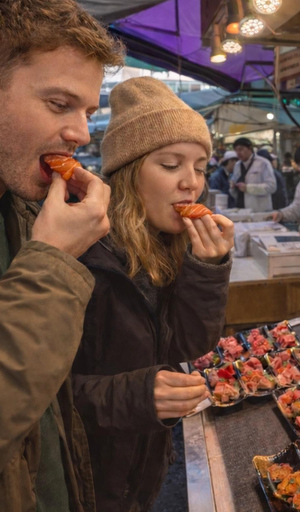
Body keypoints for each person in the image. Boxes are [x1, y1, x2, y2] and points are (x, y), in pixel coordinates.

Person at [69, 77, 234, 511]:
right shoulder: (83, 255)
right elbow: (43, 398)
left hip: (142, 468)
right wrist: (140, 395)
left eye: (199, 167)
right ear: (128, 174)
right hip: (87, 481)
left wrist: (207, 269)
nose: (191, 184)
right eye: (170, 164)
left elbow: (186, 344)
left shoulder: (164, 245)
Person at [0, 2, 122, 511]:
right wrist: (52, 264)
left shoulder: (22, 208)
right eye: (58, 104)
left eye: (88, 112)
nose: (81, 133)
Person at [230, 137, 276, 212]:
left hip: (260, 210)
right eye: (236, 150)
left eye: (241, 149)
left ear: (250, 148)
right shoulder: (237, 165)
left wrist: (248, 188)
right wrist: (232, 186)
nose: (238, 153)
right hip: (241, 209)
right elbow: (234, 184)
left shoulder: (263, 163)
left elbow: (271, 186)